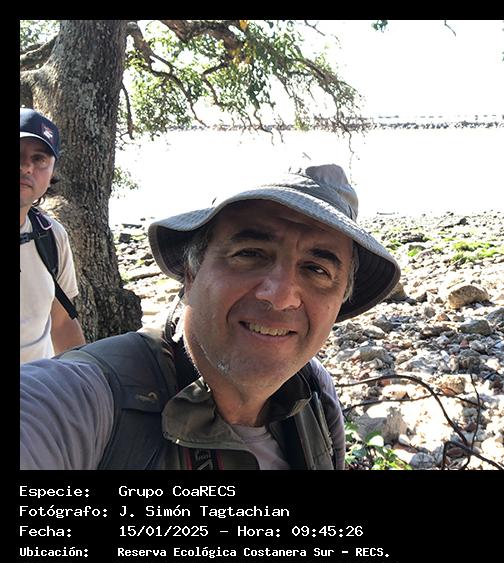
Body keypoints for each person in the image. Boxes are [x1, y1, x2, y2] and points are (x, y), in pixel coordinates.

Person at [20, 164, 401, 470]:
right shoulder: (77, 403)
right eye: (250, 254)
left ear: (339, 301)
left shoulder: (313, 392)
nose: (281, 296)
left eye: (317, 270)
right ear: (192, 272)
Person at [20, 108, 86, 363]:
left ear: (51, 173)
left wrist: (83, 378)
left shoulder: (51, 236)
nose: (26, 166)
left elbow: (62, 323)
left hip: (40, 385)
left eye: (39, 159)